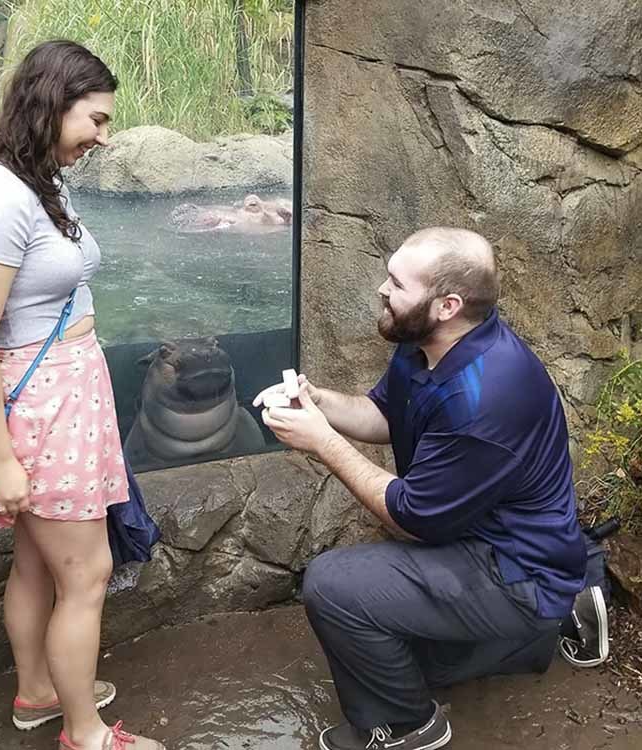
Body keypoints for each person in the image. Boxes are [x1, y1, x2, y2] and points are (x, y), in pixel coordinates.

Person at [255, 227, 608, 750]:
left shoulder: (487, 395)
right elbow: (383, 414)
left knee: (336, 586)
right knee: (403, 653)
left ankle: (404, 727)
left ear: (447, 304)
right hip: (484, 536)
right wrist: (319, 402)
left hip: (515, 567)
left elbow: (411, 515)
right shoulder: (426, 343)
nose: (381, 288)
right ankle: (566, 608)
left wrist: (323, 443)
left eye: (396, 282)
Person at [0, 40, 165, 750]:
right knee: (88, 571)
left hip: (69, 391)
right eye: (95, 120)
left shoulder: (39, 180)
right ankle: (86, 733)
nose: (103, 138)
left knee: (41, 562)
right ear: (52, 102)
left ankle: (40, 692)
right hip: (42, 404)